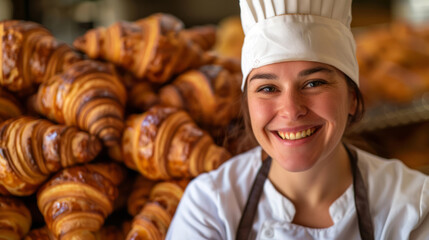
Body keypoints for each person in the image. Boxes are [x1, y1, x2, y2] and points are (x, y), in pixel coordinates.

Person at [166, 0, 429, 239]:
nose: (291, 110)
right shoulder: (210, 209)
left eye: (313, 83)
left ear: (351, 98)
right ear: (247, 104)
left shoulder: (411, 207)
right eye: (267, 88)